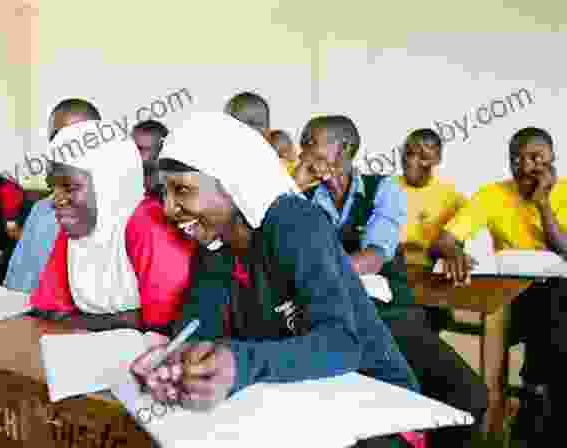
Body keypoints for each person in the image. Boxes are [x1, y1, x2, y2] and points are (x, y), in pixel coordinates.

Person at [131, 112, 419, 448]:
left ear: (231, 181)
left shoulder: (294, 223)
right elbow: (199, 328)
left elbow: (341, 345)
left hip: (380, 412)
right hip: (306, 403)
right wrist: (175, 362)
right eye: (163, 192)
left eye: (181, 189)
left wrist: (237, 363)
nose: (168, 208)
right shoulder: (214, 248)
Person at [294, 115, 487, 448]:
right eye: (303, 142)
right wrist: (294, 187)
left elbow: (374, 256)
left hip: (392, 316)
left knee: (468, 396)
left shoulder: (385, 188)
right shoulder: (298, 197)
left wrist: (319, 268)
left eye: (313, 141)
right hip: (334, 321)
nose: (304, 150)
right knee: (371, 419)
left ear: (345, 149)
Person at [431, 127, 567, 446]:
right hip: (514, 298)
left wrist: (543, 204)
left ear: (552, 159)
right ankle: (531, 403)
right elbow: (445, 241)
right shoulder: (493, 194)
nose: (525, 166)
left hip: (558, 298)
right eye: (516, 159)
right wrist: (453, 250)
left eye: (535, 158)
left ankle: (538, 405)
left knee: (557, 313)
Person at [28, 119, 144, 330]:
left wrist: (76, 319)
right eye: (52, 187)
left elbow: (159, 324)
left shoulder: (149, 231)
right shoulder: (73, 236)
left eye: (68, 187)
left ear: (109, 185)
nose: (55, 200)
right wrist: (119, 320)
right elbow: (47, 307)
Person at [3, 98, 101, 293]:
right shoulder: (42, 210)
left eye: (79, 135)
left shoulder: (120, 211)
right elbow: (15, 285)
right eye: (58, 137)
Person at [125, 120, 196, 331]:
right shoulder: (127, 196)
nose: (136, 158)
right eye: (132, 150)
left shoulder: (156, 212)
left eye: (142, 150)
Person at [396, 128, 467, 332]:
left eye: (423, 157)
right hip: (392, 276)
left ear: (437, 160)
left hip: (430, 281)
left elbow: (456, 246)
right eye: (408, 154)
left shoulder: (453, 199)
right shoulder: (384, 188)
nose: (412, 161)